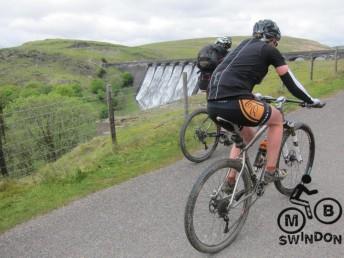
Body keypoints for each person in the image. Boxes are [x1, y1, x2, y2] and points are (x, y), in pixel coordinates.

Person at [206, 19, 324, 192]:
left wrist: (251, 95)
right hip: (236, 102)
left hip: (213, 105)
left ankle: (230, 181)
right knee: (276, 119)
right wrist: (309, 99)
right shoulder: (269, 50)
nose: (276, 45)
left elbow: (230, 77)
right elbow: (290, 81)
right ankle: (271, 171)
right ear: (274, 39)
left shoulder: (243, 45)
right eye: (277, 42)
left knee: (247, 136)